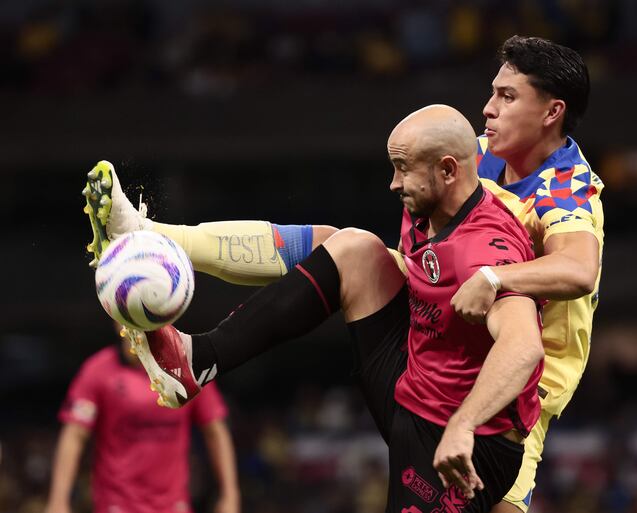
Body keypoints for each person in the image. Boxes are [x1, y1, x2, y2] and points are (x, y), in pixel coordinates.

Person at [82, 35, 602, 513]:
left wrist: (495, 279)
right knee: (351, 248)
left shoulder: (567, 192)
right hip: (434, 341)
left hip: (505, 400)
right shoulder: (475, 155)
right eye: (493, 92)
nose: (488, 107)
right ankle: (155, 242)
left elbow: (578, 269)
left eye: (508, 97)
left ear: (551, 112)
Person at [44, 324, 240, 513]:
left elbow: (215, 430)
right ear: (117, 321)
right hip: (116, 506)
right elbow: (74, 434)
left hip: (173, 507)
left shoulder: (187, 368)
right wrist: (58, 501)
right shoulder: (97, 370)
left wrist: (230, 494)